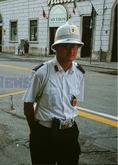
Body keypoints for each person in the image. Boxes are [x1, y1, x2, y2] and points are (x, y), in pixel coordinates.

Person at [22, 20, 85, 164]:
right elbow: (27, 104)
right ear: (56, 47)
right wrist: (35, 132)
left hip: (69, 133)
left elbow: (73, 103)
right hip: (45, 134)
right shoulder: (42, 73)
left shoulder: (79, 73)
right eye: (66, 46)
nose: (71, 50)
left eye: (75, 46)